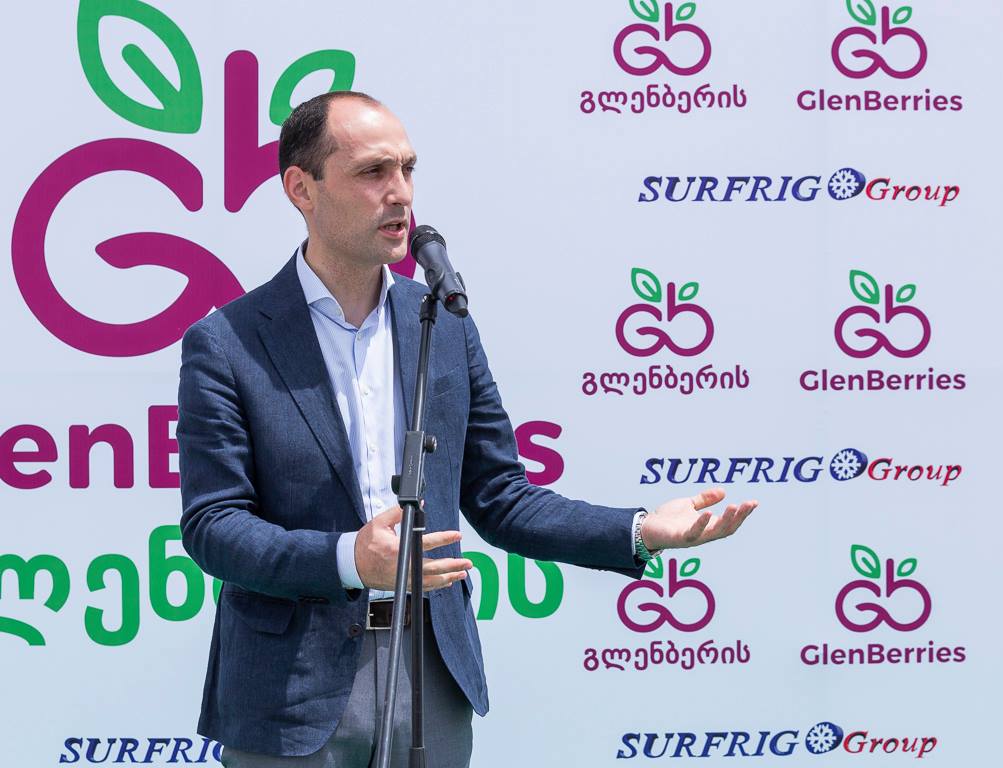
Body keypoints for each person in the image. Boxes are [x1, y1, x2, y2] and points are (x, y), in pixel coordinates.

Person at [177, 91, 756, 768]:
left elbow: (501, 496)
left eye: (407, 169)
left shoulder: (443, 322)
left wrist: (638, 529)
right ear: (301, 189)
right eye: (372, 172)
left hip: (433, 672)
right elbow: (214, 525)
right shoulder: (229, 342)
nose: (400, 193)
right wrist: (349, 559)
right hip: (290, 693)